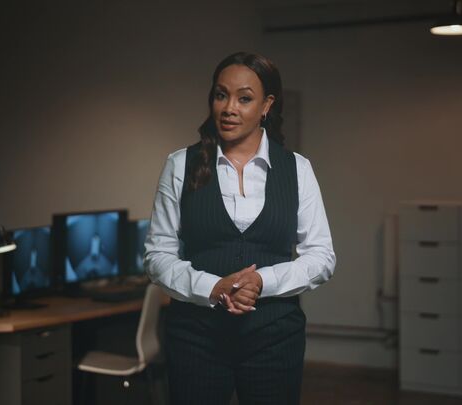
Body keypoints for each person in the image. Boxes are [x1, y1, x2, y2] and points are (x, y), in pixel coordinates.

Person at [144, 51, 336, 405]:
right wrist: (212, 287)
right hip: (195, 338)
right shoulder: (180, 165)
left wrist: (263, 281)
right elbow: (157, 256)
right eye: (221, 95)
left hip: (276, 338)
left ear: (266, 105)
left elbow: (322, 257)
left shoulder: (297, 169)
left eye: (244, 99)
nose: (229, 108)